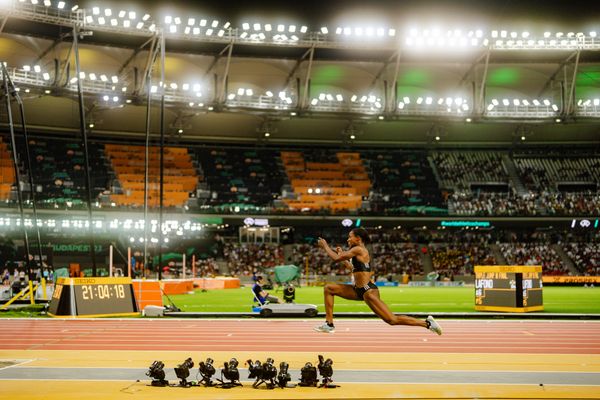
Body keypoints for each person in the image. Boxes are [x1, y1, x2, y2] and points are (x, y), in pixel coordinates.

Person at [314, 227, 442, 335]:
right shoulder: (356, 252)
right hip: (358, 290)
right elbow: (352, 268)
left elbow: (336, 259)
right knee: (329, 288)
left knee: (392, 320)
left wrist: (325, 246)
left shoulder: (358, 249)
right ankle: (329, 323)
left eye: (350, 237)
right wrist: (343, 256)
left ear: (358, 239)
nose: (348, 239)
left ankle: (427, 323)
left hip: (368, 291)